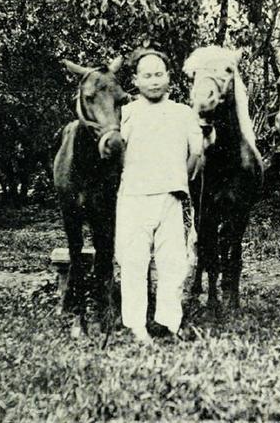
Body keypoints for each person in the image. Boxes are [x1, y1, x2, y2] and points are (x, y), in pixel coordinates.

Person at [114, 48, 203, 344]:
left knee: (173, 263)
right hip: (134, 197)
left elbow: (196, 154)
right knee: (134, 262)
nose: (154, 81)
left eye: (159, 74)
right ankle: (136, 325)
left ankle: (169, 322)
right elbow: (118, 155)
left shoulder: (183, 113)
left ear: (169, 78)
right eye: (147, 75)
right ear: (136, 80)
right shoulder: (125, 113)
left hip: (172, 197)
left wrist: (178, 178)